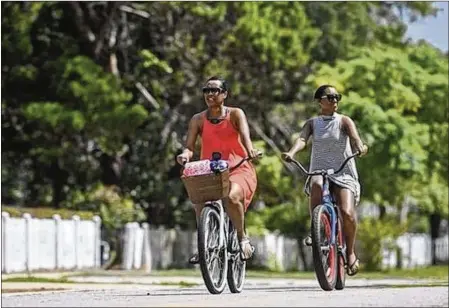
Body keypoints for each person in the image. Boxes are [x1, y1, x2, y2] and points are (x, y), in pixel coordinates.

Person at [281, 84, 368, 276]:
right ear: (319, 101)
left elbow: (355, 138)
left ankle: (351, 252)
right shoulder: (312, 123)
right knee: (316, 186)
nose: (334, 100)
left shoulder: (344, 121)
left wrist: (360, 147)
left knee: (347, 212)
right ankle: (316, 229)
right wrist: (292, 152)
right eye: (330, 97)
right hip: (319, 169)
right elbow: (302, 139)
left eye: (337, 97)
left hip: (343, 171)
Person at [176, 76, 260, 263]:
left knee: (231, 197)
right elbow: (189, 147)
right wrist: (185, 155)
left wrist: (251, 151)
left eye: (214, 90)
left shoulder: (236, 114)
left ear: (225, 94)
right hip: (210, 170)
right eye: (206, 91)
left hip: (238, 168)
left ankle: (241, 237)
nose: (210, 94)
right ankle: (204, 245)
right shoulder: (197, 119)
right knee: (199, 200)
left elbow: (246, 138)